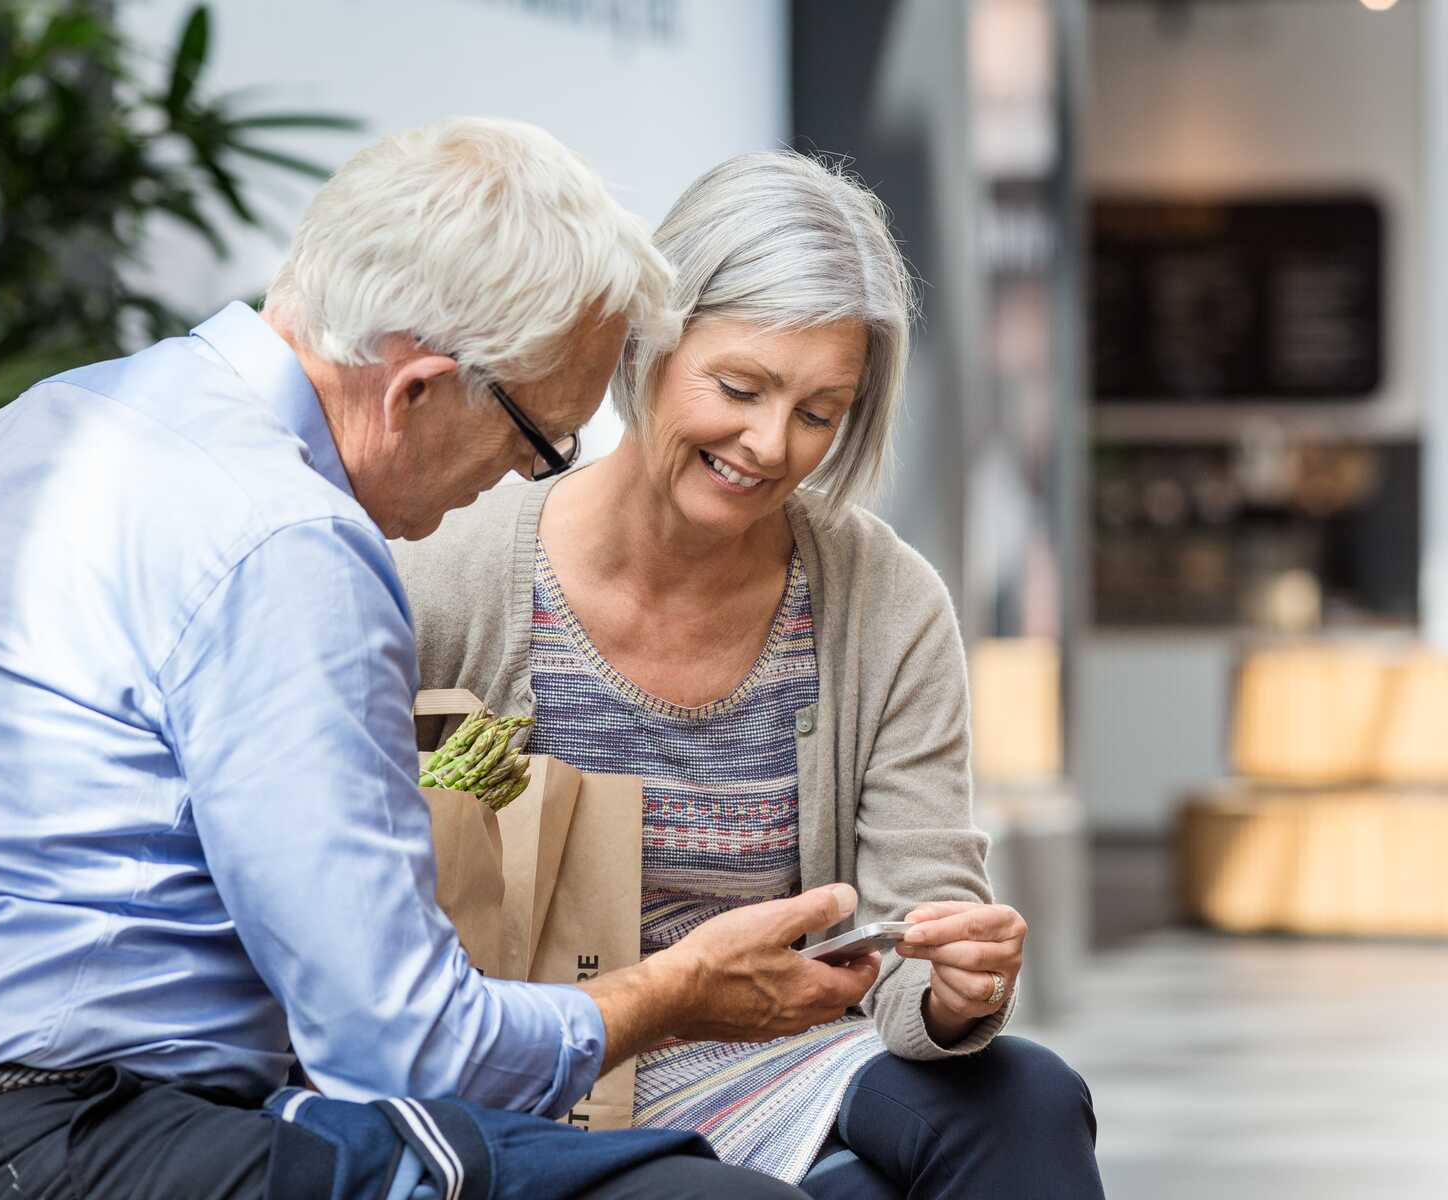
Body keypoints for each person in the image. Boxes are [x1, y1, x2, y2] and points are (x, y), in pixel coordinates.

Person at [0, 121, 880, 1200]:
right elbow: (403, 1048)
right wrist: (676, 988)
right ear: (418, 390)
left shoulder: (27, 432)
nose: (525, 477)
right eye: (540, 440)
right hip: (81, 1136)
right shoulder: (290, 539)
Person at [392, 150, 1106, 1198]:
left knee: (1026, 1095)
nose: (770, 445)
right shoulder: (447, 574)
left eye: (819, 412)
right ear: (650, 339)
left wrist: (954, 985)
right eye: (739, 388)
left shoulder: (882, 599)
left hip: (789, 1058)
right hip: (545, 1072)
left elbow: (921, 917)